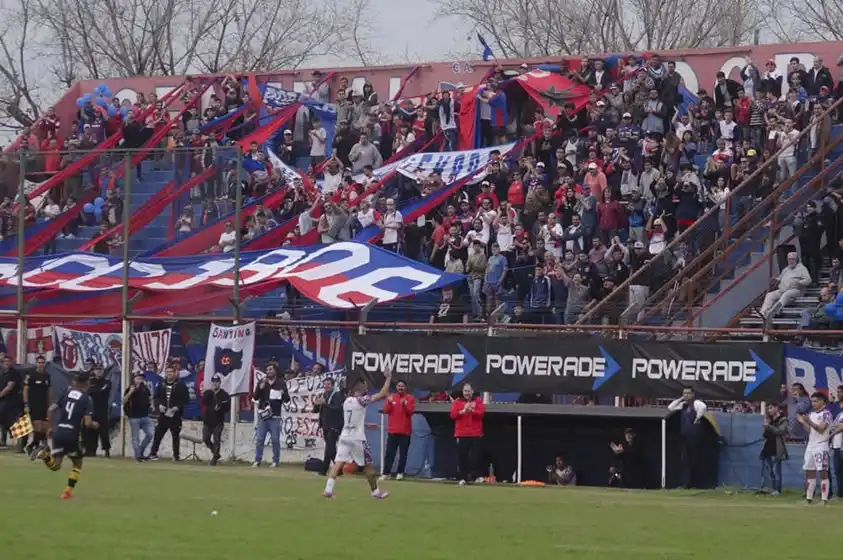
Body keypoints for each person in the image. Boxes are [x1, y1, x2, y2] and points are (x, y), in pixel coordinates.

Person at [322, 369, 392, 499]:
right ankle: (376, 492)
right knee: (367, 465)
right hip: (357, 438)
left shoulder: (347, 401)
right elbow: (382, 393)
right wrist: (388, 378)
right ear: (361, 389)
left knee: (338, 462)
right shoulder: (361, 401)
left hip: (345, 435)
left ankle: (328, 489)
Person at [36, 371, 97, 500]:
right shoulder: (86, 398)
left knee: (56, 465)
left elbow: (51, 409)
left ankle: (44, 455)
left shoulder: (67, 392)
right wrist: (94, 425)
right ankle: (67, 492)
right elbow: (87, 423)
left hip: (59, 431)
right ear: (87, 383)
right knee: (77, 464)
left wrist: (49, 425)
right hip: (71, 434)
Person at [668, 386, 707, 489]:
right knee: (685, 460)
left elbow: (703, 407)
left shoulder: (696, 403)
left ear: (693, 394)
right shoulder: (683, 405)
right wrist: (681, 398)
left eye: (688, 393)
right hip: (684, 437)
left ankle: (694, 483)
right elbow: (670, 407)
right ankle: (685, 483)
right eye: (684, 393)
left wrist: (697, 418)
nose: (686, 395)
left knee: (693, 460)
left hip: (694, 436)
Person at [797, 392, 833, 504]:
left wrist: (809, 421)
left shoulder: (826, 414)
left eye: (816, 401)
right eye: (812, 401)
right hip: (811, 445)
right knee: (809, 472)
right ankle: (808, 498)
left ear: (823, 401)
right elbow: (810, 431)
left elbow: (821, 429)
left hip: (821, 445)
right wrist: (803, 422)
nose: (813, 404)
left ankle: (824, 499)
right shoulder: (812, 414)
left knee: (823, 472)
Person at [148, 366, 190, 461]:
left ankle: (176, 456)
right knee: (158, 435)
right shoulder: (161, 384)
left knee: (175, 436)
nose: (169, 374)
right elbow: (156, 397)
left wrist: (177, 407)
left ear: (175, 373)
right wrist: (159, 405)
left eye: (171, 372)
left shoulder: (180, 385)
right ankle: (153, 454)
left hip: (175, 415)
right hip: (163, 415)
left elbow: (186, 399)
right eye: (167, 372)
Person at [252, 364, 289, 467]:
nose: (268, 371)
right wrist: (260, 388)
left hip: (275, 415)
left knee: (275, 439)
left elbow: (287, 400)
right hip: (263, 415)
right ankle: (257, 460)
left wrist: (283, 393)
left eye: (271, 369)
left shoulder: (281, 383)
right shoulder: (262, 381)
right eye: (267, 369)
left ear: (275, 371)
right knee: (260, 439)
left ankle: (275, 461)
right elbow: (255, 397)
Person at [450, 383, 486, 486]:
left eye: (468, 391)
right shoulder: (458, 401)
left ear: (472, 391)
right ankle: (462, 477)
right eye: (465, 391)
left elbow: (481, 413)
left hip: (475, 433)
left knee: (476, 456)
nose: (467, 393)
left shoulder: (478, 401)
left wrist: (472, 411)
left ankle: (476, 476)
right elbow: (453, 415)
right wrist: (463, 411)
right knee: (462, 456)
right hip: (462, 433)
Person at [380, 380, 416, 480]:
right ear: (396, 387)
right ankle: (386, 473)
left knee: (403, 454)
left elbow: (410, 412)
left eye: (402, 386)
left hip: (405, 432)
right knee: (389, 454)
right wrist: (390, 402)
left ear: (405, 387)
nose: (400, 388)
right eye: (399, 386)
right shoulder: (392, 397)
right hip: (392, 432)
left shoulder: (410, 398)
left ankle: (400, 473)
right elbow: (385, 410)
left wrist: (404, 404)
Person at [313, 376, 344, 476]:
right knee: (330, 448)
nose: (326, 386)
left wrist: (325, 403)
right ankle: (330, 470)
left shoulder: (337, 395)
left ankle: (334, 470)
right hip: (326, 425)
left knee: (330, 448)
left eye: (328, 384)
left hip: (334, 424)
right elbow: (317, 410)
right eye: (325, 384)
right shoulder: (325, 394)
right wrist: (317, 404)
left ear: (333, 385)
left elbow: (337, 409)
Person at [23, 355, 52, 458]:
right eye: (39, 362)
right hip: (34, 404)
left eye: (42, 363)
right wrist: (26, 403)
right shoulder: (31, 374)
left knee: (44, 428)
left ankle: (33, 446)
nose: (41, 365)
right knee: (38, 427)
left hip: (44, 404)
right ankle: (37, 446)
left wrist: (50, 404)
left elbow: (48, 391)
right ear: (36, 363)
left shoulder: (47, 376)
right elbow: (26, 389)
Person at [123, 371, 153, 462]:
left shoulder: (145, 388)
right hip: (134, 416)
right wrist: (130, 392)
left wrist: (151, 405)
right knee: (135, 437)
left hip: (145, 415)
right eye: (138, 378)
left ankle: (140, 452)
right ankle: (138, 456)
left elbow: (150, 398)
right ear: (134, 379)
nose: (140, 380)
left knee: (149, 434)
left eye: (142, 378)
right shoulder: (130, 388)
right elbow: (123, 401)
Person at [84, 364, 112, 458]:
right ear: (94, 371)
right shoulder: (90, 381)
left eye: (101, 369)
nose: (99, 371)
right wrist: (96, 391)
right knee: (90, 432)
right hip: (91, 409)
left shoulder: (107, 382)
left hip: (102, 410)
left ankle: (107, 451)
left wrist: (95, 391)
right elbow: (88, 392)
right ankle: (91, 451)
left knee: (104, 432)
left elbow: (101, 392)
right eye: (97, 369)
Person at [201, 375, 231, 466]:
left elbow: (227, 407)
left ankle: (214, 459)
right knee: (206, 439)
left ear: (220, 383)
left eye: (217, 381)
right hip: (208, 420)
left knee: (216, 439)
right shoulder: (207, 393)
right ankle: (216, 453)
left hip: (218, 421)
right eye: (213, 381)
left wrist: (220, 407)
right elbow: (204, 402)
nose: (215, 383)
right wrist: (212, 394)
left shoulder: (224, 394)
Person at [760, 403, 788, 496]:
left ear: (776, 408)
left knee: (777, 470)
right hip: (768, 447)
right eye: (768, 409)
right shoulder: (769, 420)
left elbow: (780, 431)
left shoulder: (783, 419)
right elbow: (765, 435)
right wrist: (765, 427)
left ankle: (777, 489)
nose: (769, 410)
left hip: (777, 448)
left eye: (771, 408)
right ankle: (770, 488)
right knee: (769, 470)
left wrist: (769, 426)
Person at [0, 355, 23, 449]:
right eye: (5, 361)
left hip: (12, 399)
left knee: (11, 419)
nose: (6, 363)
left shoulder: (13, 373)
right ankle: (3, 439)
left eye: (8, 361)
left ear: (11, 362)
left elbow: (9, 387)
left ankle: (19, 441)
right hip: (3, 399)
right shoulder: (3, 373)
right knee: (3, 419)